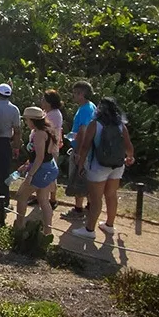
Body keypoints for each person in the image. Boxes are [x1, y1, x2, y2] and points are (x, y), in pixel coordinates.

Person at [71, 97, 135, 240]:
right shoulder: (121, 125)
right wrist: (130, 157)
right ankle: (109, 225)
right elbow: (128, 145)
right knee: (111, 195)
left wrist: (81, 164)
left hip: (98, 165)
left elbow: (86, 146)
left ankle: (89, 229)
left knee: (96, 198)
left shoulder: (95, 124)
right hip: (117, 165)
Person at [14, 106, 60, 237]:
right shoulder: (47, 131)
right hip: (48, 167)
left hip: (41, 169)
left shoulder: (39, 134)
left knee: (21, 196)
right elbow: (42, 155)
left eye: (27, 120)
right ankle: (47, 231)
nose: (26, 122)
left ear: (32, 120)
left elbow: (40, 157)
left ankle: (20, 226)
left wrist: (30, 175)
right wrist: (27, 164)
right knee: (43, 200)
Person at [61, 81, 97, 220]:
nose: (73, 96)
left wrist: (78, 152)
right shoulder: (89, 106)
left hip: (81, 150)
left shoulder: (85, 110)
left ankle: (78, 210)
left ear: (82, 94)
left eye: (75, 93)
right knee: (85, 179)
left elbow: (83, 131)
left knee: (78, 178)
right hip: (86, 149)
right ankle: (89, 206)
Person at [34, 89, 64, 209]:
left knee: (49, 172)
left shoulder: (54, 114)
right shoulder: (46, 112)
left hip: (50, 148)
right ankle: (40, 197)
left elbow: (45, 129)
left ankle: (52, 199)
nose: (41, 101)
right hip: (43, 146)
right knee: (41, 172)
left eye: (44, 99)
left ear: (50, 102)